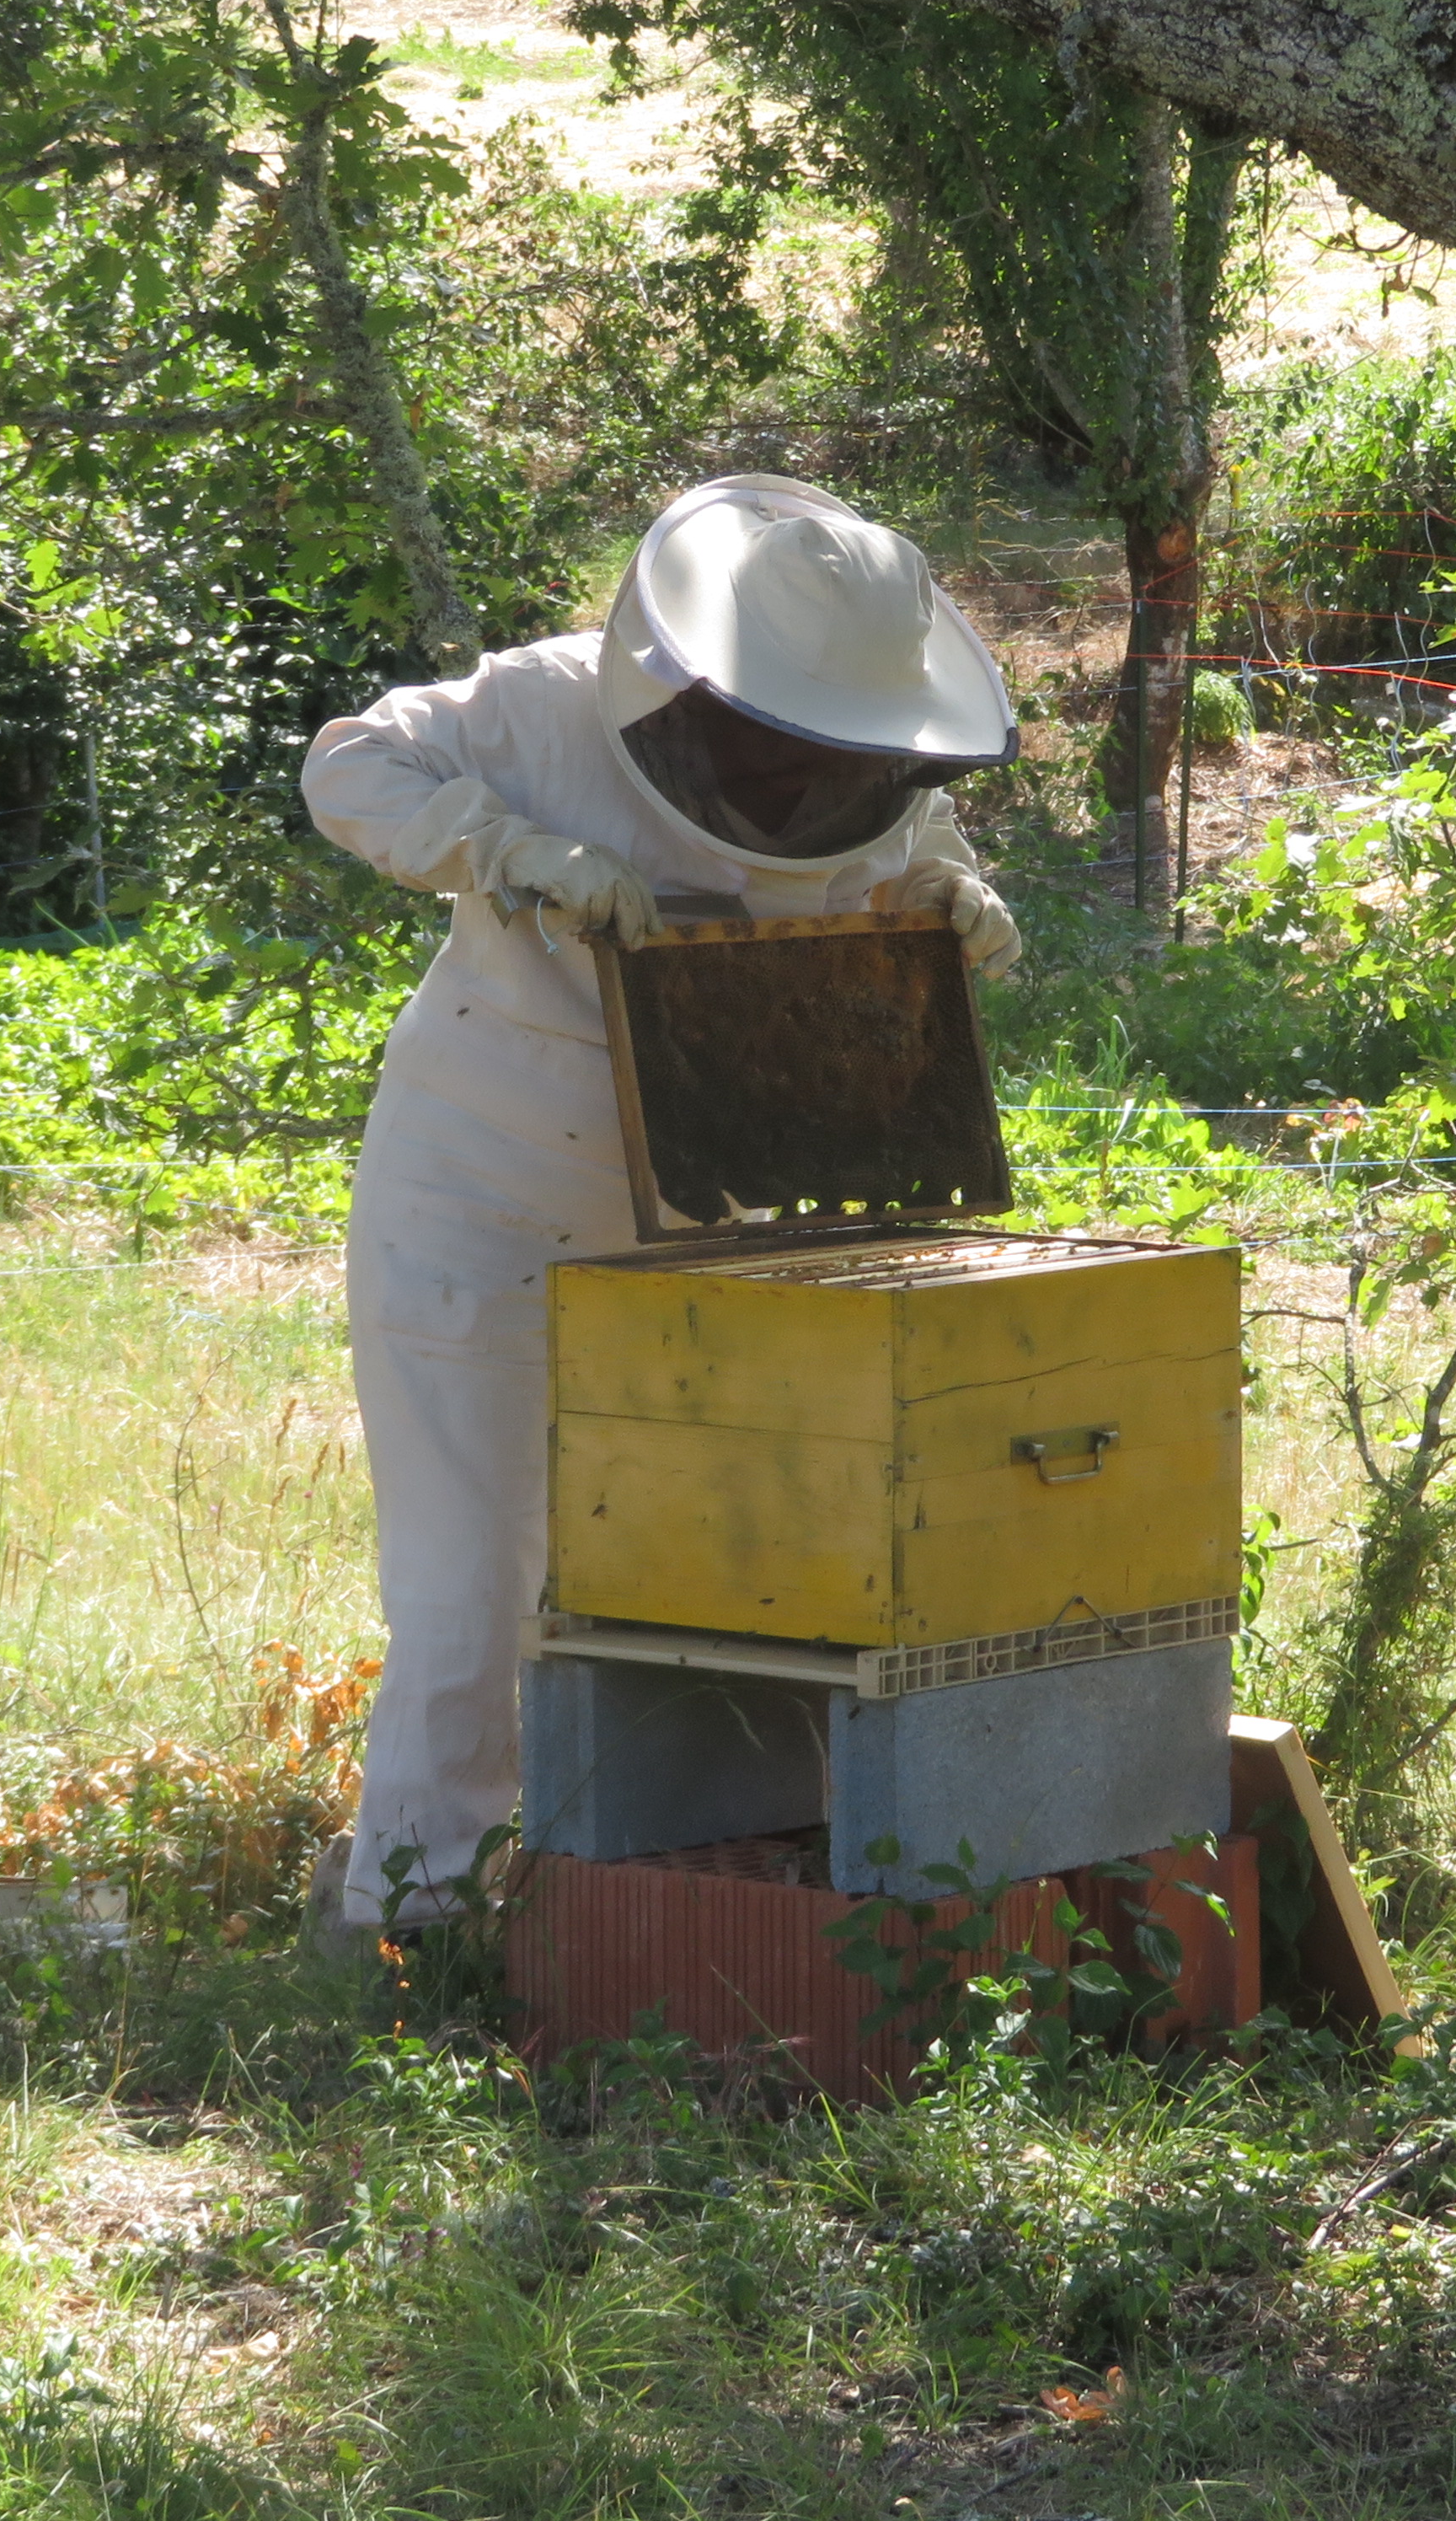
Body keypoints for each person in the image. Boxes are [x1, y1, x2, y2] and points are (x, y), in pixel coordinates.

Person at [299, 475, 1025, 1935]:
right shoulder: (547, 708)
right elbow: (348, 767)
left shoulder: (879, 764)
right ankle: (408, 1917)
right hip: (487, 1195)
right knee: (469, 1595)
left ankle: (631, 1903)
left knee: (727, 1584)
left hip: (735, 1226)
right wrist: (503, 850)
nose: (790, 774)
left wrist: (963, 907)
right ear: (694, 676)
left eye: (827, 746)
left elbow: (913, 867)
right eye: (774, 736)